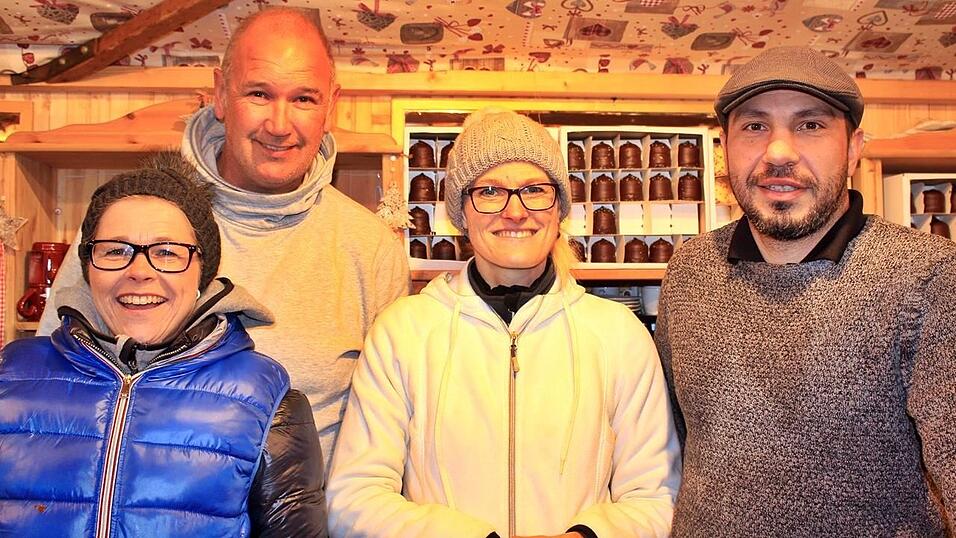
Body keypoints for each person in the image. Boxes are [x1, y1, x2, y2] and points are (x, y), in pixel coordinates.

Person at [38, 7, 410, 467]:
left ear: (331, 106)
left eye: (303, 99)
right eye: (259, 93)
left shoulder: (371, 249)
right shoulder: (125, 224)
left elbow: (385, 440)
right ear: (220, 94)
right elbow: (48, 388)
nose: (279, 124)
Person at [327, 109, 681, 538]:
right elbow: (354, 499)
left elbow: (656, 496)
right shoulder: (403, 334)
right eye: (491, 191)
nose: (515, 211)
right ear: (461, 213)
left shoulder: (618, 336)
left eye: (535, 190)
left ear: (558, 209)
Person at [655, 46, 956, 536]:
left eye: (810, 125)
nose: (778, 153)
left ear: (854, 148)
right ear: (724, 146)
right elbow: (678, 440)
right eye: (755, 126)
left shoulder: (928, 275)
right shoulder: (689, 270)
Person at [0, 154, 327, 537]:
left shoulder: (268, 403)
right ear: (88, 268)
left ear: (202, 273)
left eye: (167, 252)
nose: (139, 271)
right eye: (115, 250)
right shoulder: (10, 378)